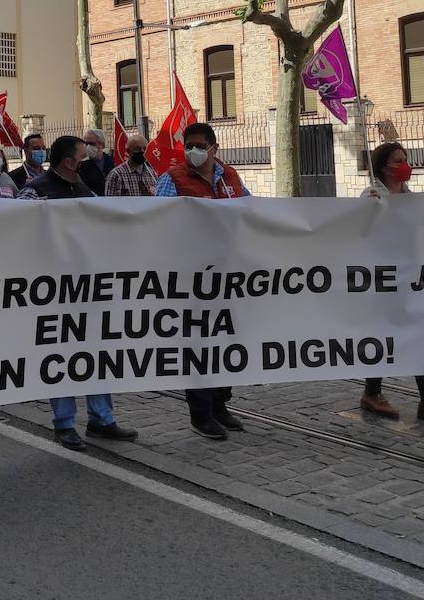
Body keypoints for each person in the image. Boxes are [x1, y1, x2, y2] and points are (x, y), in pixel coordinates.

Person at [18, 135, 138, 450]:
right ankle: (64, 423)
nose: (93, 158)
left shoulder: (83, 188)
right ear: (70, 162)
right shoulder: (37, 189)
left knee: (96, 352)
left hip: (89, 286)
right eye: (85, 155)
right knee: (62, 355)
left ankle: (102, 419)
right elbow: (13, 222)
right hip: (55, 289)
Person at [154, 122, 250, 440]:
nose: (192, 151)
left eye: (198, 145)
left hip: (228, 271)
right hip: (192, 275)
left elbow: (252, 209)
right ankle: (201, 412)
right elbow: (159, 222)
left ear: (214, 148)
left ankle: (221, 404)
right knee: (199, 343)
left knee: (226, 340)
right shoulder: (172, 179)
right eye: (188, 145)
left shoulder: (231, 176)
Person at [356, 143, 424, 426]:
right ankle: (372, 392)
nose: (405, 165)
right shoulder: (371, 194)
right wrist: (371, 210)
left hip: (410, 276)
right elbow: (359, 233)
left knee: (420, 334)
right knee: (382, 335)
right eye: (398, 160)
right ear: (383, 166)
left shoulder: (409, 197)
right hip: (381, 279)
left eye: (406, 159)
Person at [102, 132, 158, 197]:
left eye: (145, 149)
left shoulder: (152, 174)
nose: (142, 151)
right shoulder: (116, 175)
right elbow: (109, 202)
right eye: (137, 149)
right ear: (128, 151)